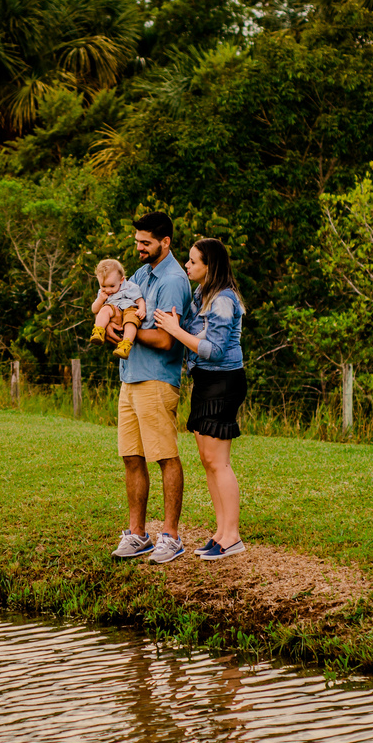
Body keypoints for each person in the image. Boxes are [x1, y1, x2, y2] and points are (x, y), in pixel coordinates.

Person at [153, 237, 247, 560]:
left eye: (193, 262)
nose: (187, 266)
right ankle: (221, 533)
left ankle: (232, 535)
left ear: (210, 266)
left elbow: (215, 350)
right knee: (208, 460)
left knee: (218, 462)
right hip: (206, 380)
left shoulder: (223, 300)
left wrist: (175, 331)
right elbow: (193, 330)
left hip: (223, 380)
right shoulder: (202, 294)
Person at [108, 212, 191, 564]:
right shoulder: (141, 275)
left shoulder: (172, 280)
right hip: (130, 377)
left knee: (164, 456)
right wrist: (113, 328)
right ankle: (138, 534)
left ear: (165, 242)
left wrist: (130, 334)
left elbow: (166, 339)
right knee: (131, 456)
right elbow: (126, 310)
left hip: (156, 380)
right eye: (137, 241)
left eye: (146, 243)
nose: (139, 248)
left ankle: (170, 536)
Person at [89, 258, 148, 360]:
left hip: (129, 308)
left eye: (112, 286)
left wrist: (142, 309)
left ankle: (125, 345)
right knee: (104, 309)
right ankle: (98, 331)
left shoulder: (130, 287)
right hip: (113, 308)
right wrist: (100, 300)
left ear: (121, 280)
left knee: (131, 321)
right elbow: (94, 310)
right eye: (103, 286)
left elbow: (140, 300)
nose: (108, 290)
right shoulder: (102, 293)